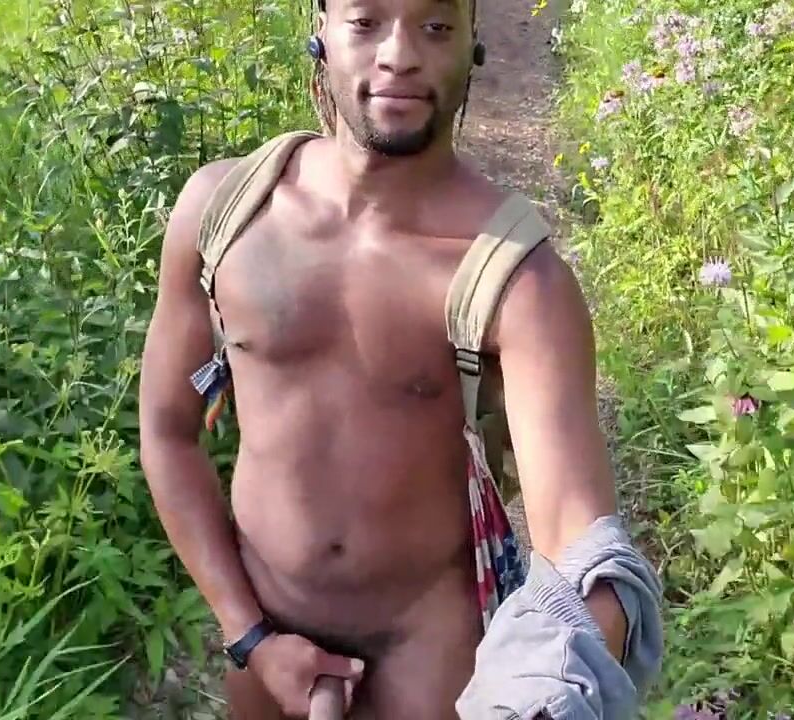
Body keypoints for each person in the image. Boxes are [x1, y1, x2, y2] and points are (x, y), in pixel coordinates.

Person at [137, 0, 663, 717]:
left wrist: (544, 683)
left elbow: (580, 542)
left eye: (436, 27)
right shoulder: (225, 213)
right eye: (366, 22)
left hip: (428, 648)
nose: (399, 55)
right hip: (264, 630)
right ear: (320, 30)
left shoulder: (516, 279)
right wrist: (250, 635)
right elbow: (168, 433)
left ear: (473, 46)